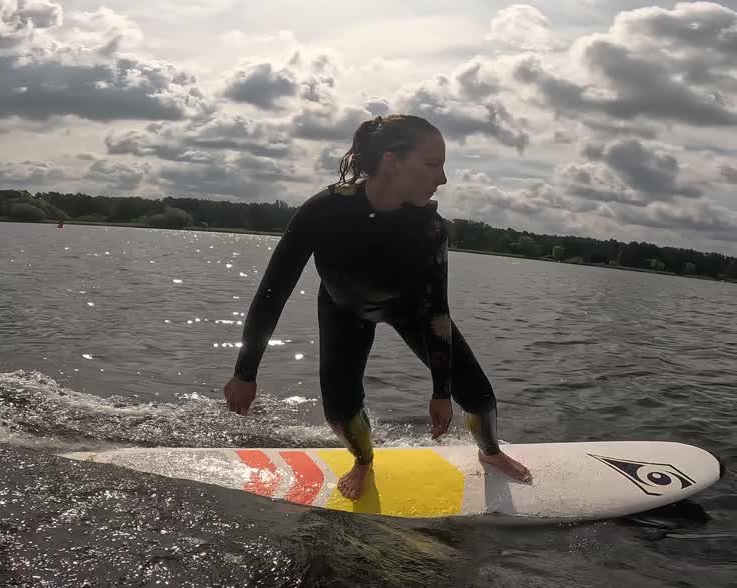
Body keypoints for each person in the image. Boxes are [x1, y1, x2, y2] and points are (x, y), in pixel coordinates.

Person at [222, 113, 532, 500]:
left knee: (479, 395)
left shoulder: (430, 229)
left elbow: (437, 310)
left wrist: (441, 390)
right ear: (392, 162)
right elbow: (274, 290)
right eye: (433, 164)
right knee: (340, 412)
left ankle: (491, 453)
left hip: (411, 310)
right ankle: (363, 461)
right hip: (343, 310)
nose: (443, 179)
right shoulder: (324, 212)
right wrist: (245, 372)